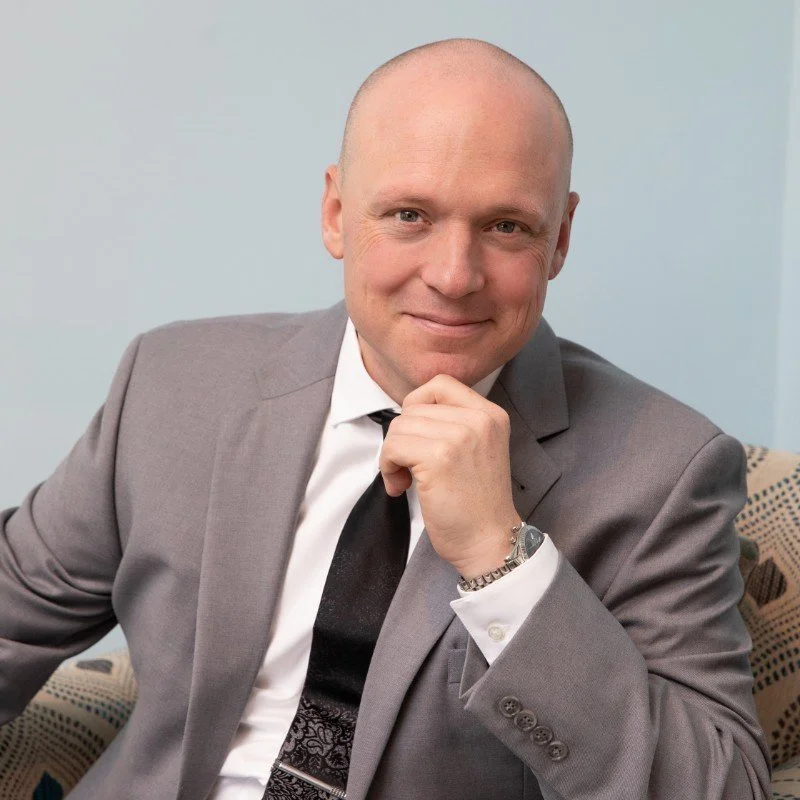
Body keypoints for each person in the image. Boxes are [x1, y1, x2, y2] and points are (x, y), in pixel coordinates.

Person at [0, 38, 770, 800]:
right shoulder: (173, 383)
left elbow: (722, 786)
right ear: (336, 213)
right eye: (409, 215)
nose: (452, 275)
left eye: (506, 226)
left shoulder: (668, 470)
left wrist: (502, 562)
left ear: (559, 238)